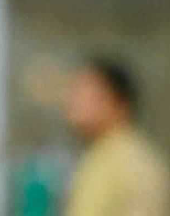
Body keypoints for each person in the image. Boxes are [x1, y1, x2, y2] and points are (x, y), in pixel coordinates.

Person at [65, 56, 169, 216]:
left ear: (120, 103)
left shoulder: (134, 162)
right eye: (75, 93)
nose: (74, 102)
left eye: (88, 94)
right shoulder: (101, 154)